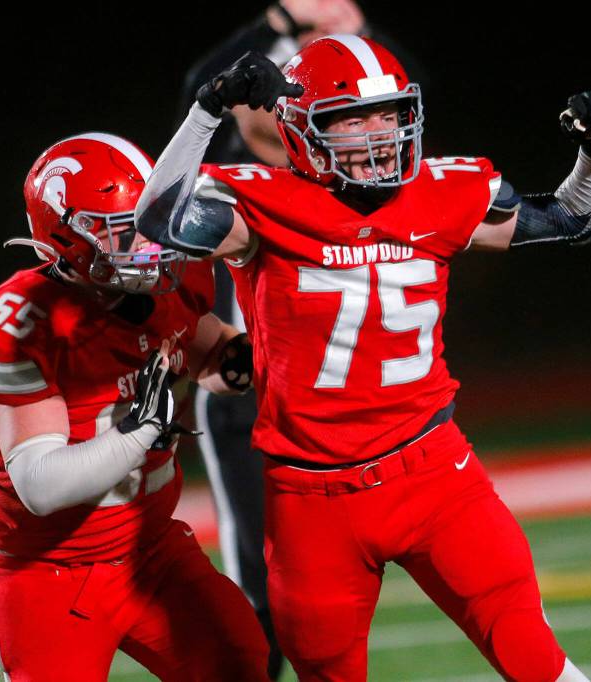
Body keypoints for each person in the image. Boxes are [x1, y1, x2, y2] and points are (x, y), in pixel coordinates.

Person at [137, 35, 591, 681]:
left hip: (434, 473)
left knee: (535, 656)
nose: (377, 133)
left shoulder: (446, 190)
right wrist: (207, 112)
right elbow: (157, 220)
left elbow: (572, 217)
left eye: (390, 113)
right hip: (312, 497)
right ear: (303, 129)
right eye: (350, 118)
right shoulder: (258, 203)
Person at [0, 132, 269, 681]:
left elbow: (208, 351)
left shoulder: (171, 283)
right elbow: (40, 484)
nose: (152, 245)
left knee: (239, 661)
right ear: (67, 237)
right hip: (49, 568)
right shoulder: (20, 321)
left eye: (152, 223)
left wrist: (255, 361)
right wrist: (139, 432)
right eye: (126, 232)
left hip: (151, 550)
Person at [177, 7, 423, 678]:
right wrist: (280, 23)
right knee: (263, 594)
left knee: (328, 606)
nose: (367, 134)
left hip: (346, 414)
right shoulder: (240, 190)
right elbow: (201, 105)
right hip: (255, 396)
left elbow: (391, 91)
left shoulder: (367, 181)